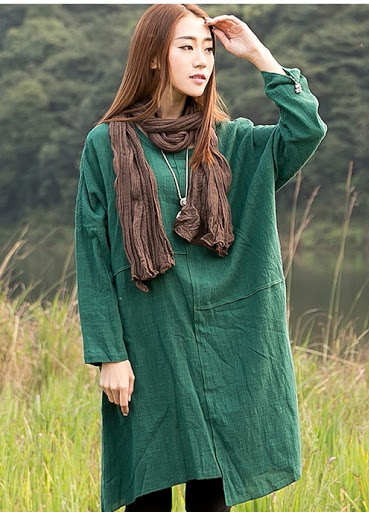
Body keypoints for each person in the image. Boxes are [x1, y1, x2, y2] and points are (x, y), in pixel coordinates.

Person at [75, 4, 327, 512]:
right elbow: (93, 253)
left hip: (225, 343)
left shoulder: (232, 142)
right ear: (152, 58)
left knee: (211, 497)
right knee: (148, 491)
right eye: (186, 47)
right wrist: (109, 355)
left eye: (208, 49)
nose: (201, 61)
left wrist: (259, 57)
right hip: (148, 341)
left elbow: (305, 130)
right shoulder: (106, 145)